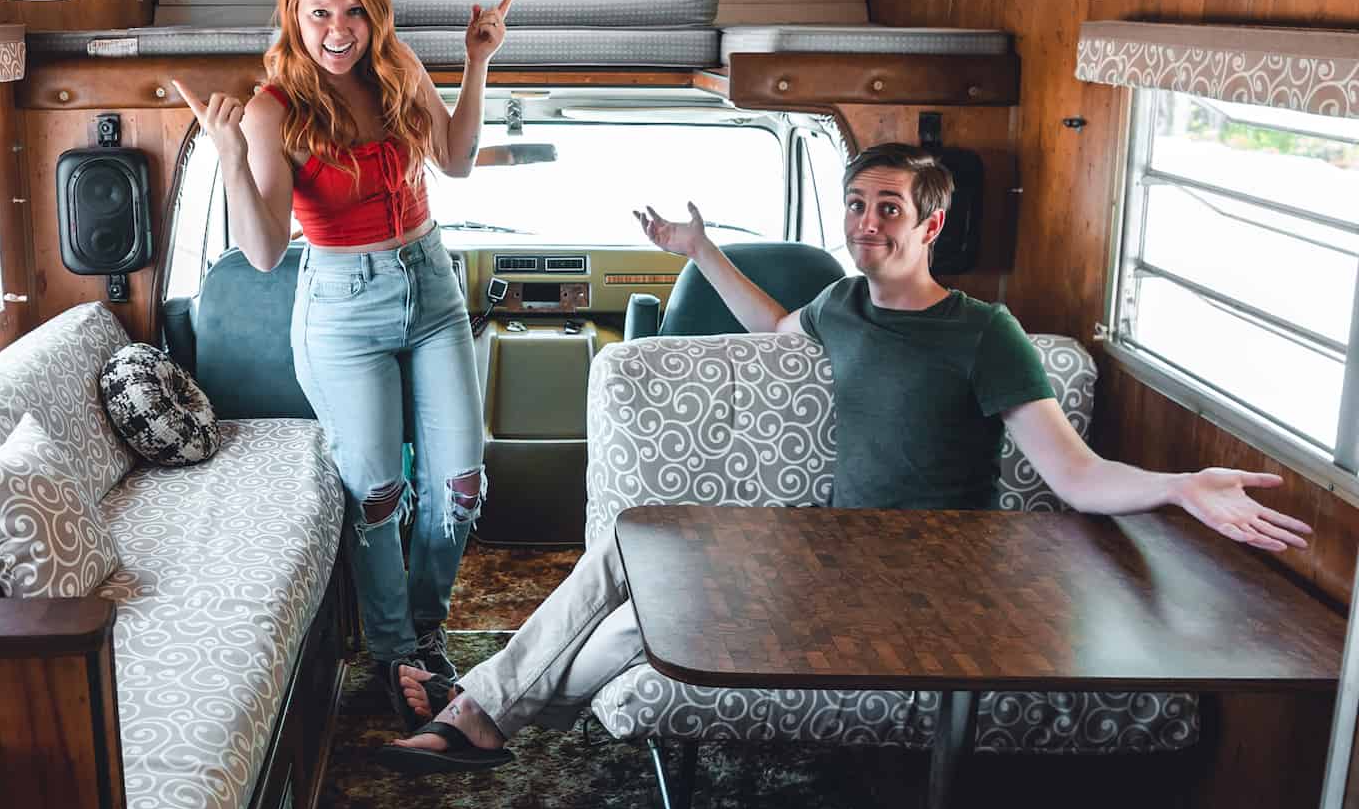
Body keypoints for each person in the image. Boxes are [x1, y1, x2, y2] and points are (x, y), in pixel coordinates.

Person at [380, 140, 1311, 772]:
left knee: (630, 624)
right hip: (830, 550)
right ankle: (483, 715)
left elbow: (1073, 474)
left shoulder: (986, 334)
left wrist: (1185, 485)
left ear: (932, 225)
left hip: (928, 573)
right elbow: (780, 327)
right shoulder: (846, 306)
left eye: (889, 208)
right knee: (630, 588)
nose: (867, 223)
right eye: (857, 205)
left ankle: (481, 710)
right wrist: (700, 250)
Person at [175, 0, 519, 725]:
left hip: (431, 284)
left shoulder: (399, 71)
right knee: (378, 495)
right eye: (320, 12)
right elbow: (263, 252)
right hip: (342, 305)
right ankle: (396, 651)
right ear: (294, 18)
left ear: (375, 11)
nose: (339, 29)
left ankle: (426, 634)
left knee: (460, 487)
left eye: (354, 10)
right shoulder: (274, 109)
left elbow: (457, 159)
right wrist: (229, 156)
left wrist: (476, 60)